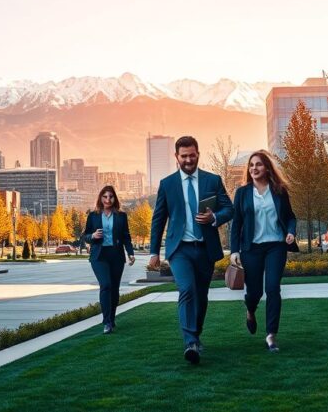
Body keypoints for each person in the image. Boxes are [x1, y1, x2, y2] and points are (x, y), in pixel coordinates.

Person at [149, 135, 233, 364]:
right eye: (183, 156)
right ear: (176, 157)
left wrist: (214, 216)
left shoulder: (212, 180)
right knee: (186, 289)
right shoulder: (167, 184)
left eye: (192, 155)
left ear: (198, 154)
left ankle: (196, 335)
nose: (188, 159)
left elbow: (229, 208)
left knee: (202, 295)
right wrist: (153, 251)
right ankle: (190, 342)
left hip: (205, 248)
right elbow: (159, 219)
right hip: (179, 250)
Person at [229, 150, 297, 353]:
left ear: (267, 167)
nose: (254, 168)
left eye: (258, 164)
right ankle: (250, 309)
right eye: (251, 165)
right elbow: (236, 224)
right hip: (252, 249)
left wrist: (291, 232)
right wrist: (234, 251)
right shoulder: (242, 193)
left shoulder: (279, 190)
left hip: (275, 246)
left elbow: (291, 217)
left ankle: (271, 335)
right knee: (255, 292)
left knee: (273, 288)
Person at [82, 185, 136, 334]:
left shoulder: (121, 216)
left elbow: (126, 236)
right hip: (99, 256)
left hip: (116, 255)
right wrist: (92, 236)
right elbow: (85, 236)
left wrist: (130, 253)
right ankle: (106, 322)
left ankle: (111, 319)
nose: (108, 199)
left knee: (114, 289)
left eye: (110, 197)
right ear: (100, 198)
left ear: (115, 198)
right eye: (105, 197)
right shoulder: (93, 215)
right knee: (105, 285)